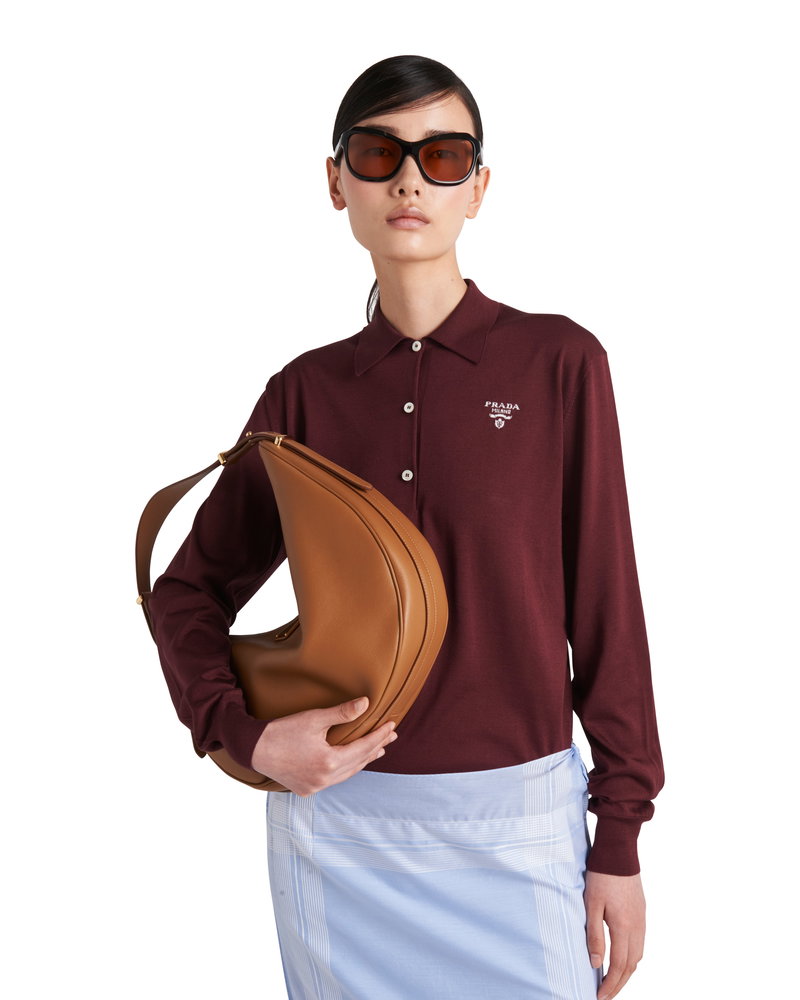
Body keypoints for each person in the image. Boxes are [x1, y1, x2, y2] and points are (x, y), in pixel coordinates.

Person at [148, 54, 664, 1000]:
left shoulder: (559, 362)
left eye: (444, 155)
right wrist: (244, 737)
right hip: (337, 829)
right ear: (336, 181)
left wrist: (620, 836)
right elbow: (187, 590)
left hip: (521, 822)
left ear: (480, 187)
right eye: (380, 154)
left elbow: (607, 610)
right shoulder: (304, 393)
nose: (411, 181)